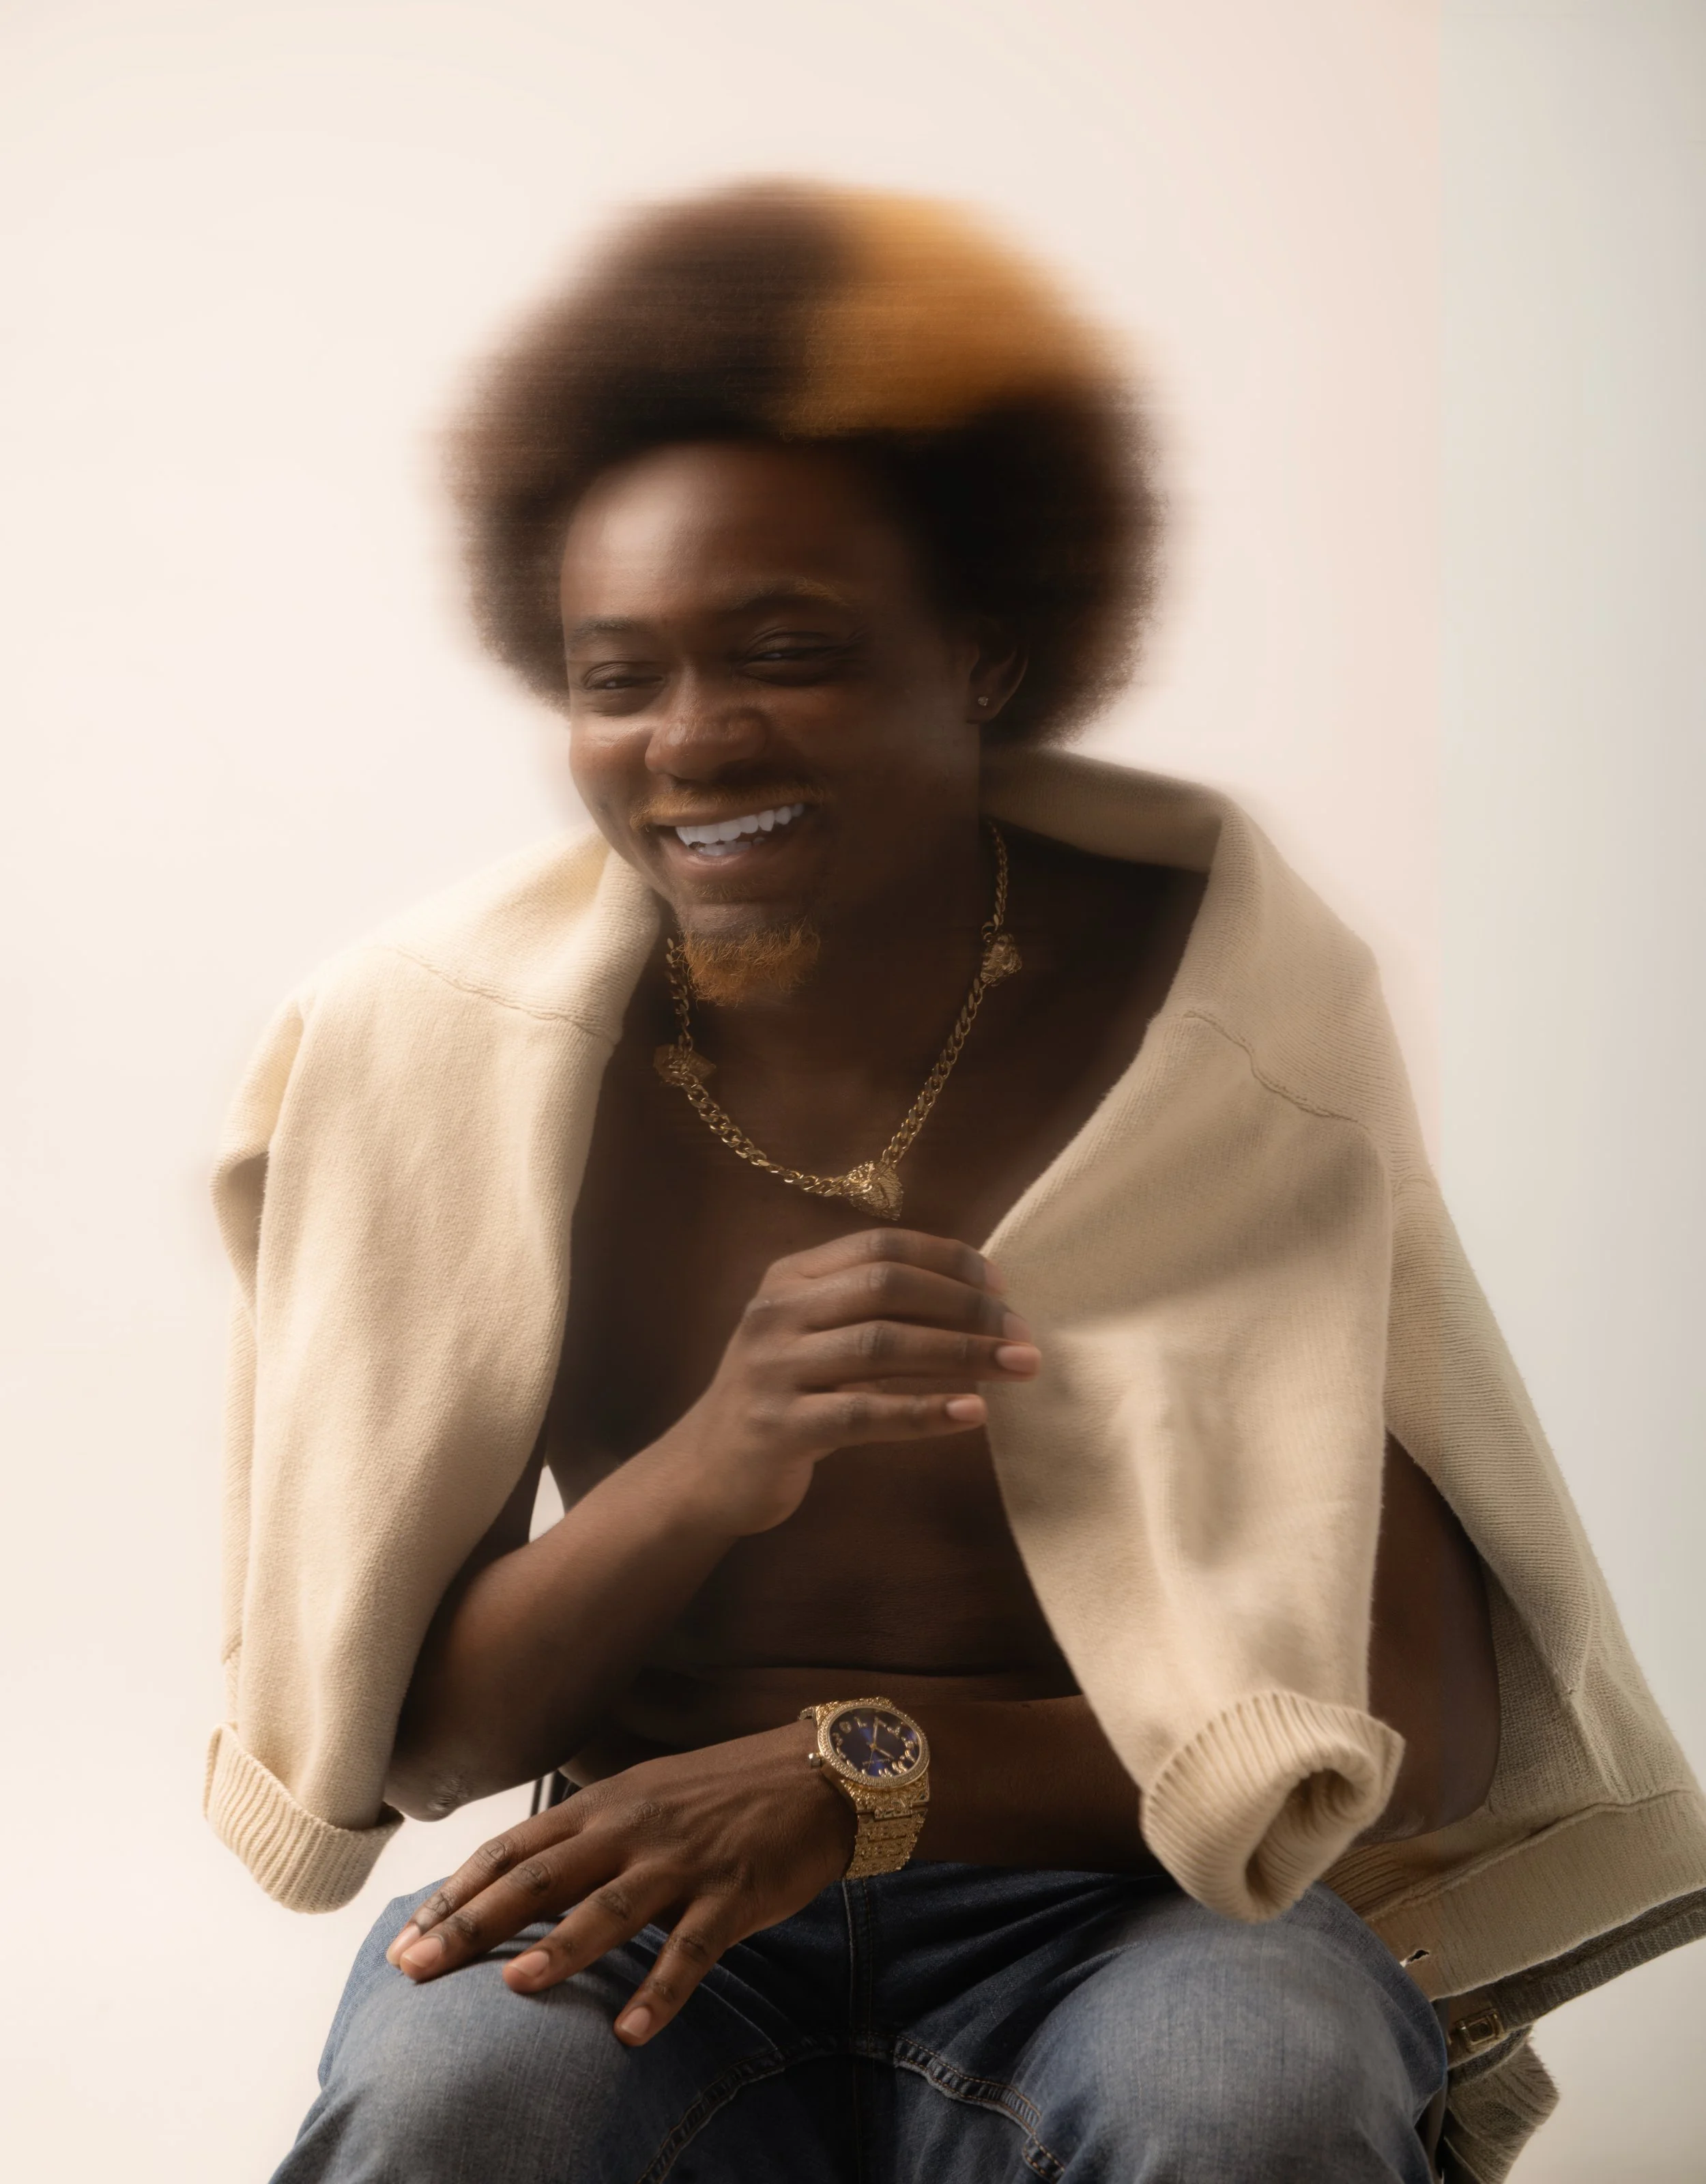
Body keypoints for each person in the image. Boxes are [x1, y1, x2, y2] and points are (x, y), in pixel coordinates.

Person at [207, 184, 1706, 2183]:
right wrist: (709, 1462)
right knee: (454, 2095)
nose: (689, 742)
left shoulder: (1210, 1022)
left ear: (984, 658)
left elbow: (1406, 1719)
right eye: (614, 673)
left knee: (1239, 2099)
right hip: (649, 1882)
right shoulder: (454, 1057)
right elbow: (430, 1749)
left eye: (788, 652)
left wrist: (866, 1779)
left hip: (1142, 1904)